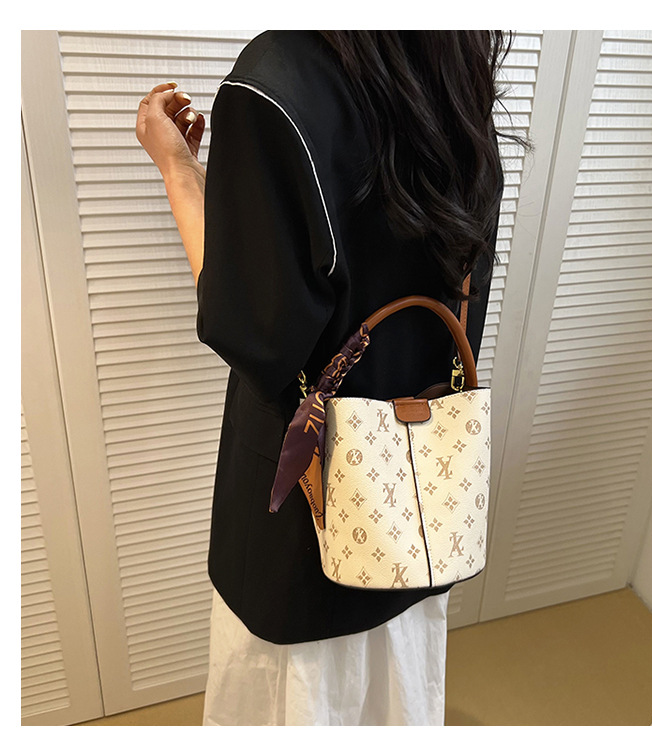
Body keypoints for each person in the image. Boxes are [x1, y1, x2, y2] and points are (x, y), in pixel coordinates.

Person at [136, 30, 516, 726]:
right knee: (393, 698)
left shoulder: (273, 82)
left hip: (303, 520)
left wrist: (178, 170)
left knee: (298, 706)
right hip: (420, 500)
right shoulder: (453, 57)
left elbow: (256, 333)